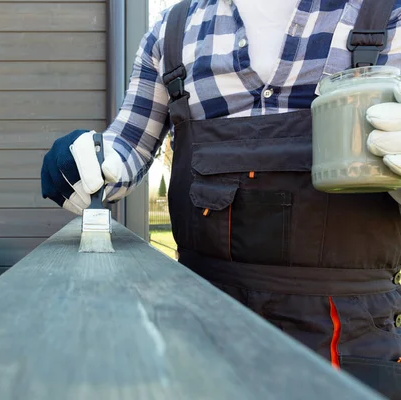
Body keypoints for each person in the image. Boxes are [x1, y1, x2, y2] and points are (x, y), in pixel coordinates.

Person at [41, 0, 401, 397]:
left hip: (344, 332)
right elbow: (128, 145)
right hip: (200, 324)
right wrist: (86, 164)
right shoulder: (172, 30)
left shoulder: (387, 15)